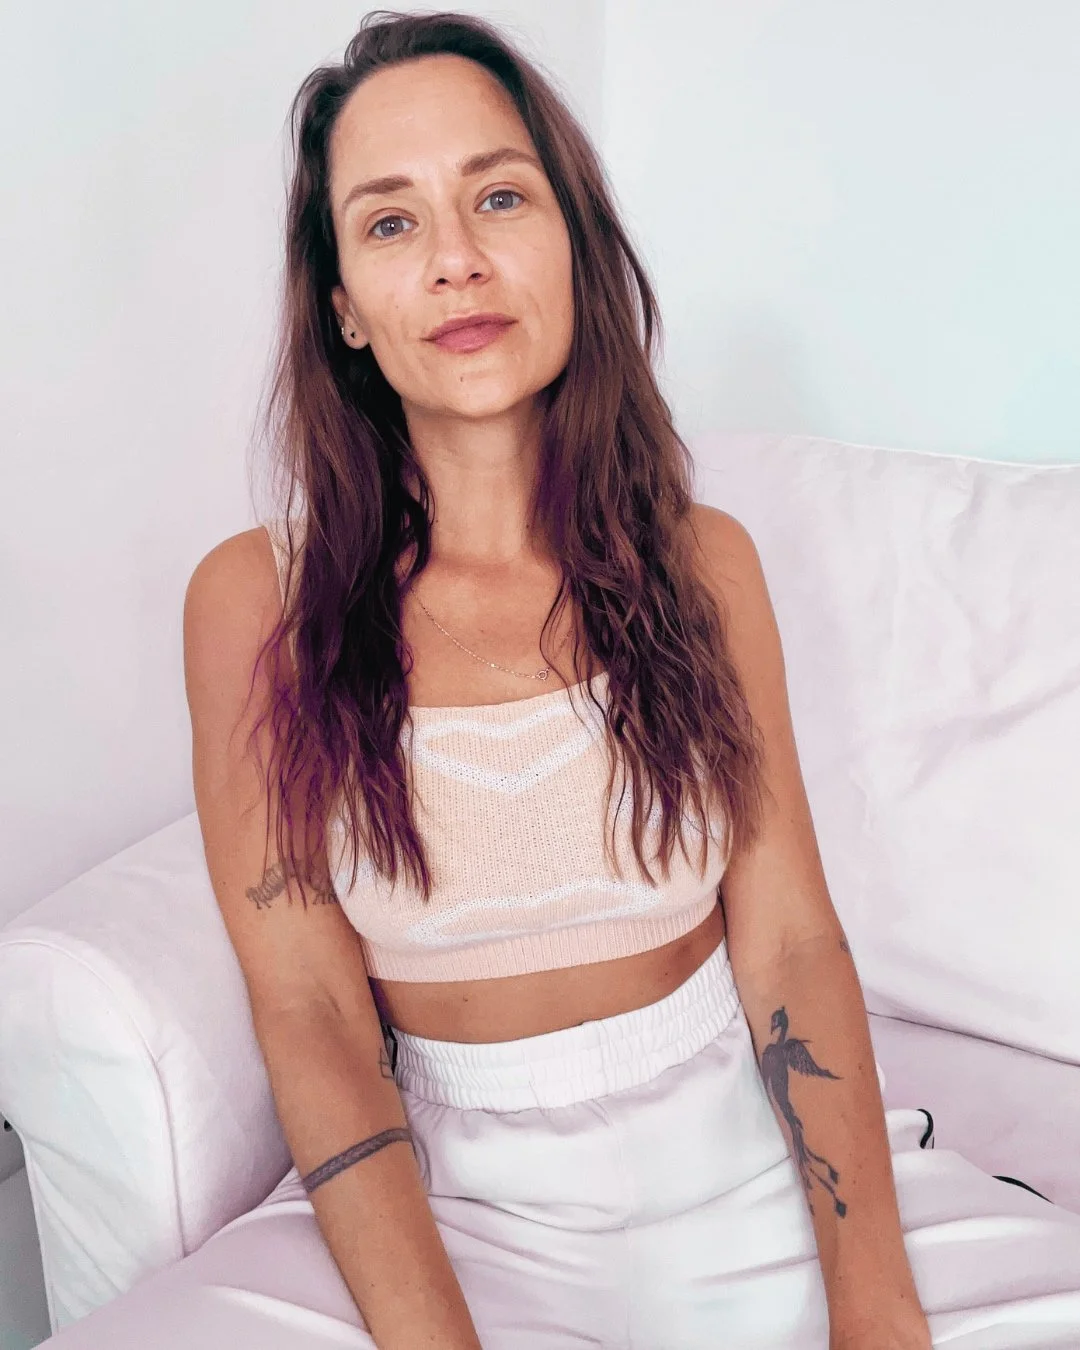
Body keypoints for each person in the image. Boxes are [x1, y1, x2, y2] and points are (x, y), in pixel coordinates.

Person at [162, 11, 1080, 1350]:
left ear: (576, 244)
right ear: (343, 304)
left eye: (498, 196)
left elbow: (791, 942)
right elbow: (306, 1008)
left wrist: (873, 1303)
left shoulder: (705, 564)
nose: (458, 258)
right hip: (449, 1210)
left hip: (747, 1154)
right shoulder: (259, 601)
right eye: (391, 222)